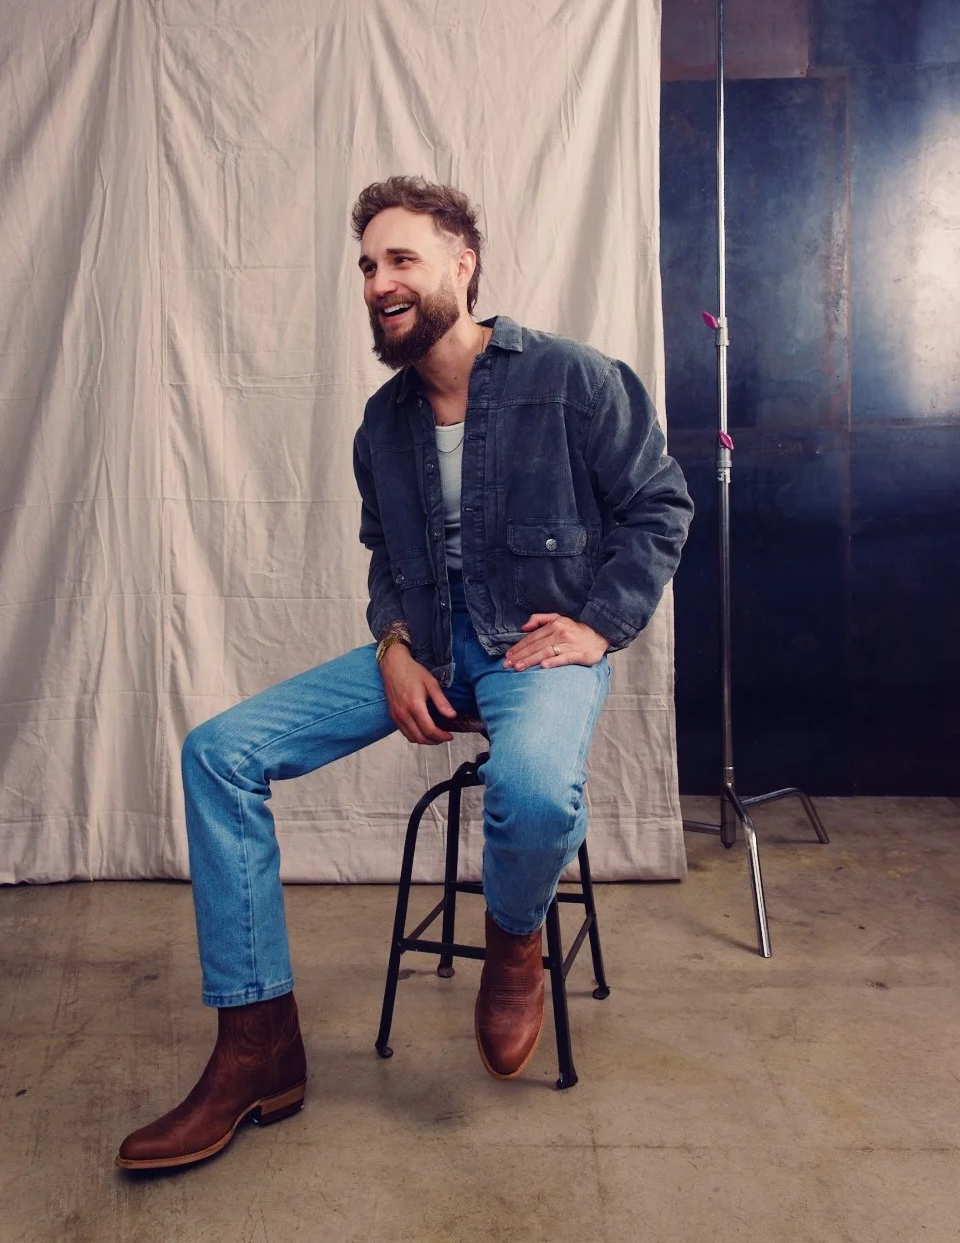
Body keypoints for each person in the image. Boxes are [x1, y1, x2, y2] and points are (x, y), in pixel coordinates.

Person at [115, 176, 693, 1171]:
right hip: (425, 648)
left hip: (533, 648)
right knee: (219, 753)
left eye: (401, 259)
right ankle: (258, 1047)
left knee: (529, 789)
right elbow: (386, 556)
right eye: (368, 267)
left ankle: (514, 943)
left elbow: (659, 505)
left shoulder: (571, 378)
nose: (380, 281)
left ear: (460, 265)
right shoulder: (382, 426)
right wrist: (389, 647)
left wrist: (598, 627)